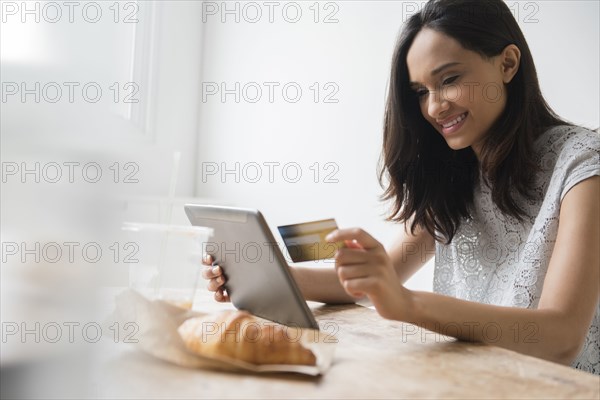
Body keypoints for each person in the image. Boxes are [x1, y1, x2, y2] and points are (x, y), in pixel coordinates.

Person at [202, 0, 599, 375]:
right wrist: (258, 273)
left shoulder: (583, 164)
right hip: (477, 382)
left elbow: (560, 337)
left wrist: (406, 303)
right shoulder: (457, 175)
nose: (434, 107)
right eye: (421, 92)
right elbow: (376, 279)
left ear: (508, 64)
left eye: (450, 79)